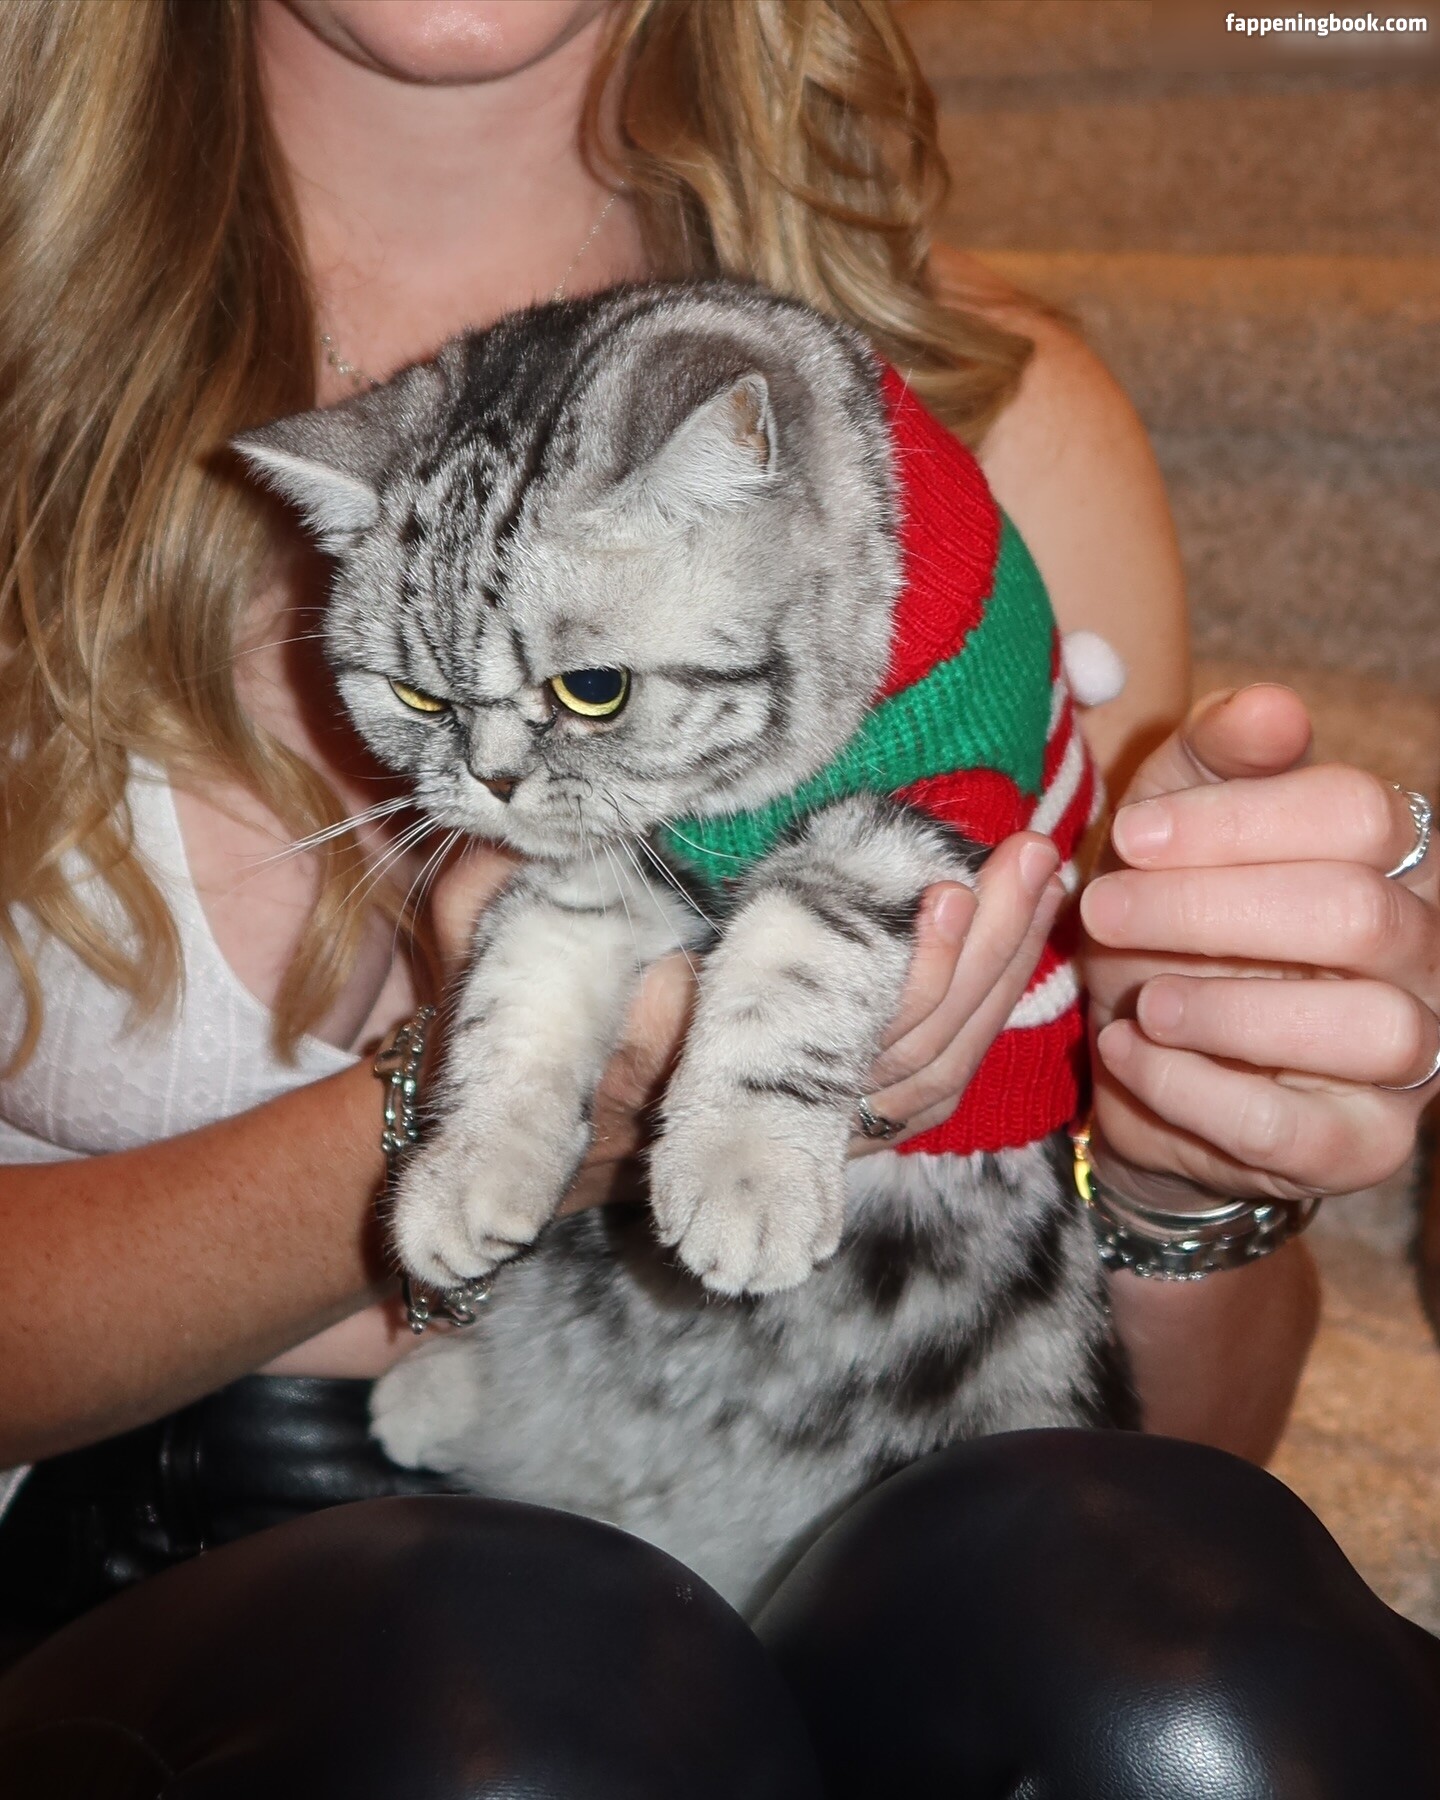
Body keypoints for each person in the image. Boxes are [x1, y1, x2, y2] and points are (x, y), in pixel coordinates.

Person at [1, 2, 1437, 1793]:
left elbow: (1175, 1464)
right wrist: (487, 1106)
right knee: (513, 1731)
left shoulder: (978, 428)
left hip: (839, 1490)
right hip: (173, 1576)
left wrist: (1175, 1158)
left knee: (1200, 1703)